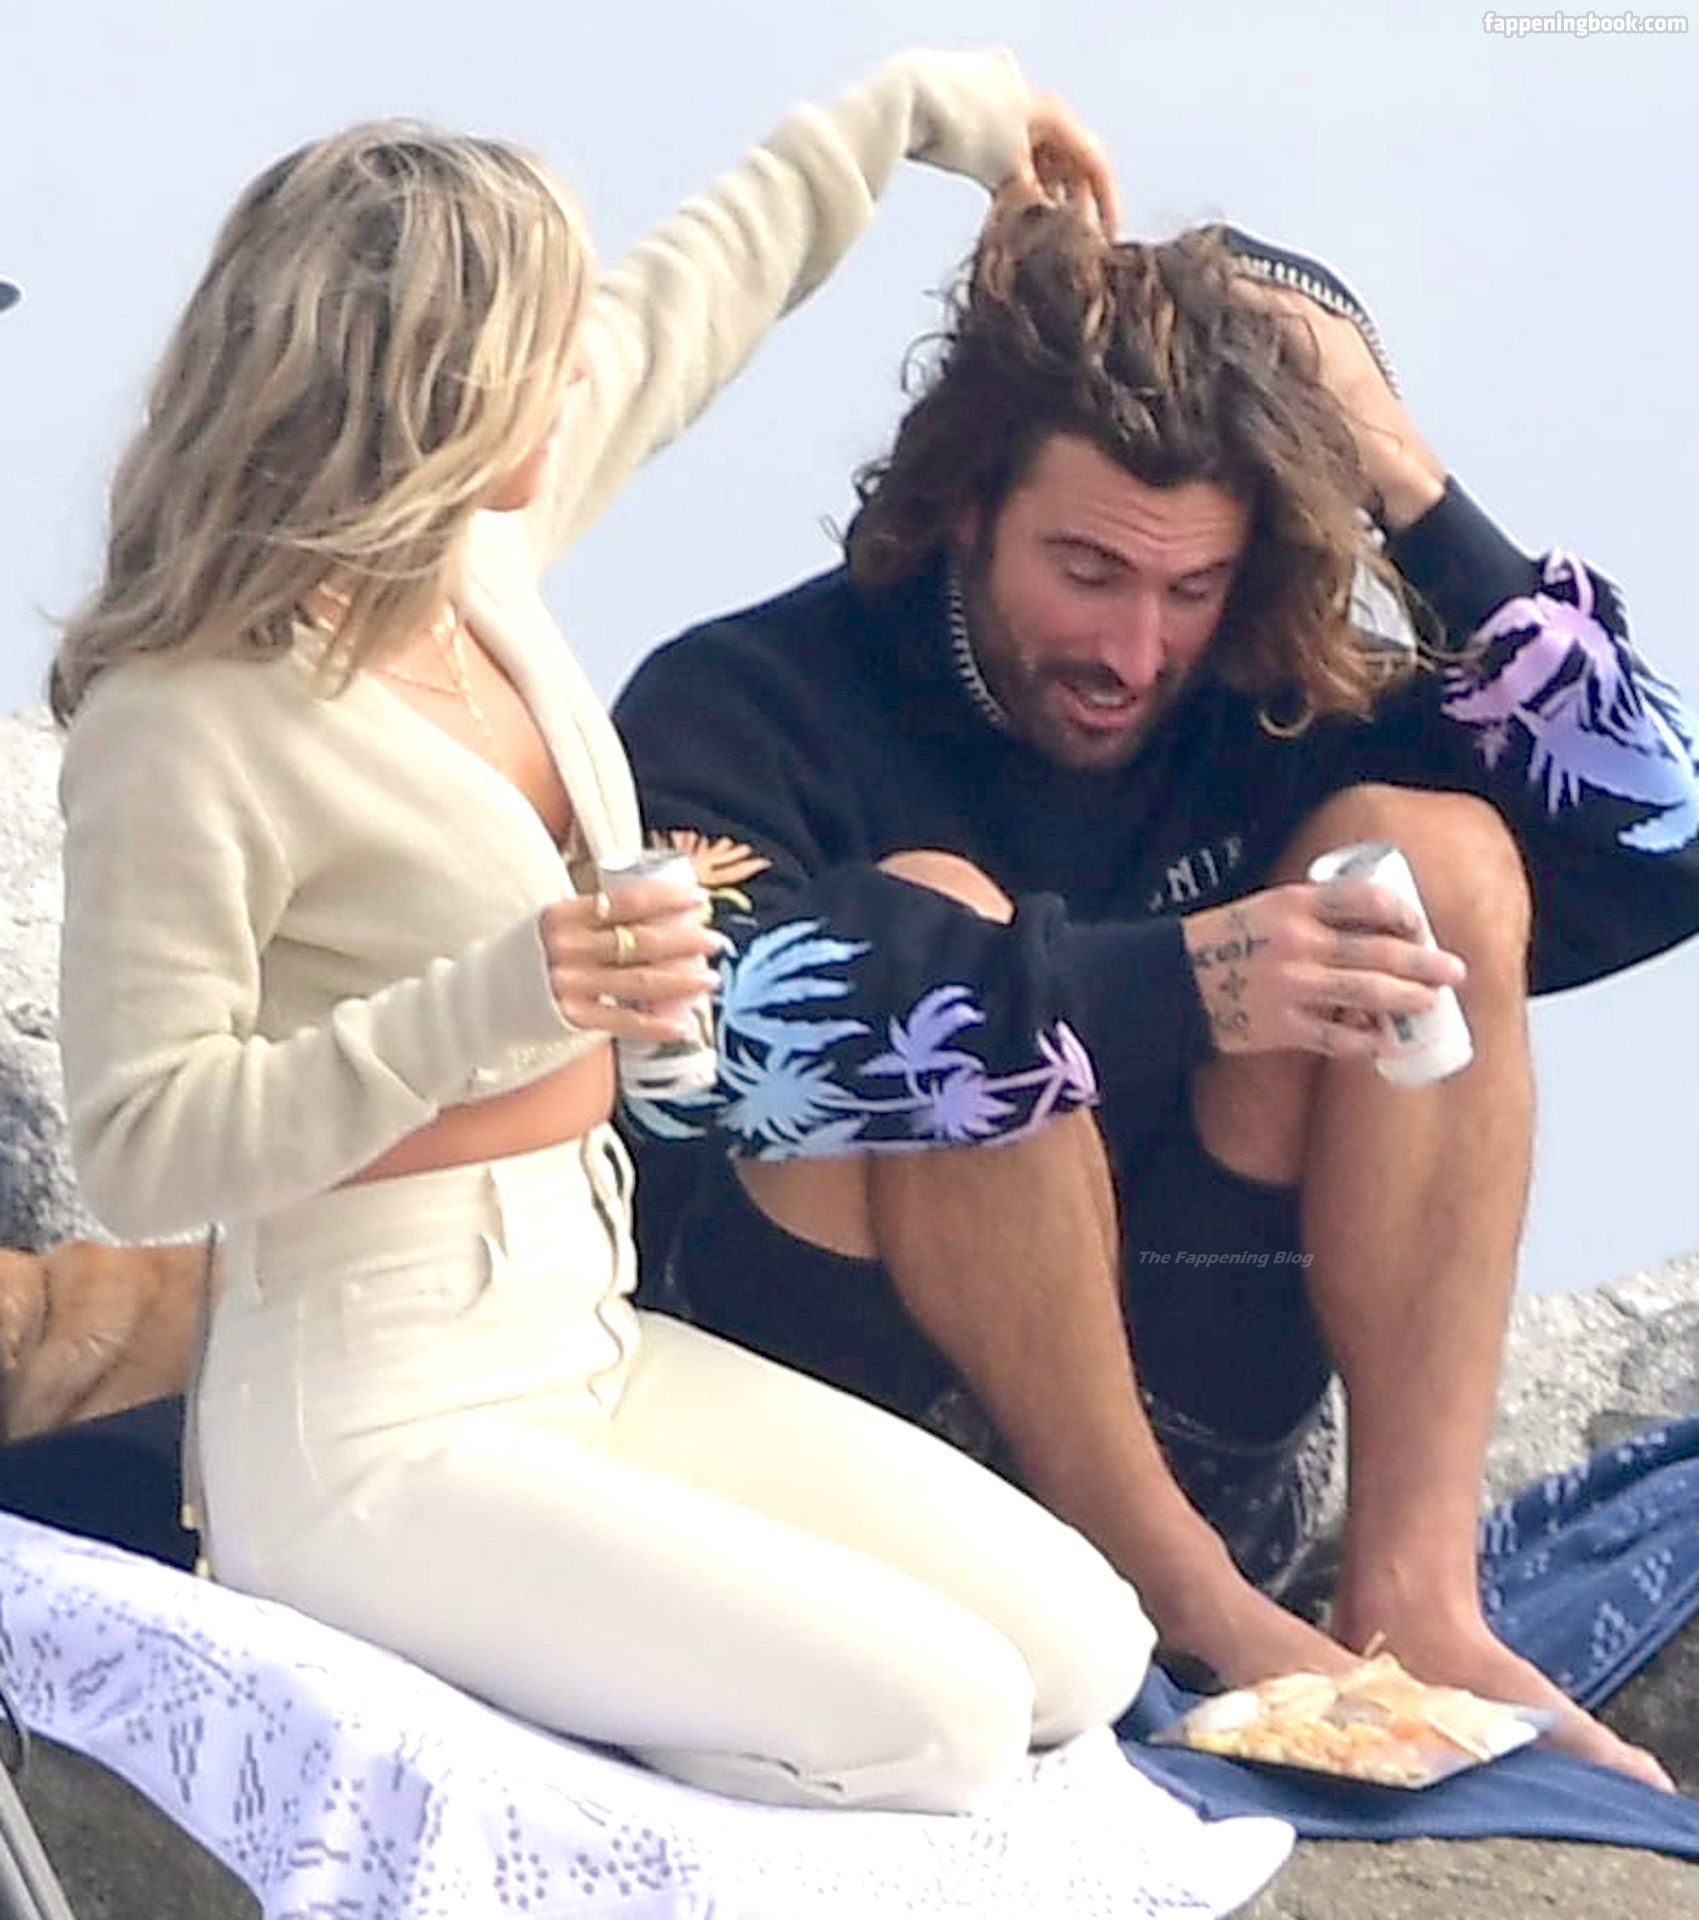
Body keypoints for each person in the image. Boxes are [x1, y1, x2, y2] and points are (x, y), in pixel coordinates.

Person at [49, 57, 1158, 1814]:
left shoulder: (476, 575)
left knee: (1085, 1650)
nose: (586, 368)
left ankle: (598, 1700)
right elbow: (138, 1144)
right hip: (369, 1428)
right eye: (547, 346)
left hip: (585, 1341)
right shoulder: (182, 723)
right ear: (439, 383)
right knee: (938, 1722)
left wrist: (907, 113)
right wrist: (505, 997)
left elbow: (693, 302)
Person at [613, 206, 1699, 1788]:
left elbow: (1663, 842)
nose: (1136, 649)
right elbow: (691, 1050)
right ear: (966, 508)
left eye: (1192, 588)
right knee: (939, 935)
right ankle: (1194, 1621)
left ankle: (1415, 1605)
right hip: (853, 1458)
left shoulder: (1266, 695)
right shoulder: (746, 698)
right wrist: (1184, 985)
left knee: (1438, 864)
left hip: (1211, 1424)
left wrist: (1402, 476)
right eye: (1089, 570)